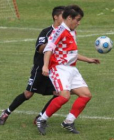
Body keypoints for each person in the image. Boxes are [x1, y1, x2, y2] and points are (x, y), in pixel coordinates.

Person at [36, 5, 100, 135]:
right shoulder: (59, 31)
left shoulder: (72, 32)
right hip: (58, 68)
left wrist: (88, 59)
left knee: (86, 95)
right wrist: (45, 66)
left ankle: (68, 122)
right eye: (77, 19)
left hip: (71, 69)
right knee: (64, 96)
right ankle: (41, 119)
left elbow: (70, 53)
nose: (79, 22)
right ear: (69, 18)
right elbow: (49, 49)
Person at [0, 6, 65, 125]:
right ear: (55, 17)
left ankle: (40, 118)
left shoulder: (65, 33)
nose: (66, 18)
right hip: (40, 68)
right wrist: (52, 42)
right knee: (28, 94)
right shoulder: (46, 32)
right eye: (63, 16)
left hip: (54, 70)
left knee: (60, 94)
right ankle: (5, 114)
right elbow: (40, 49)